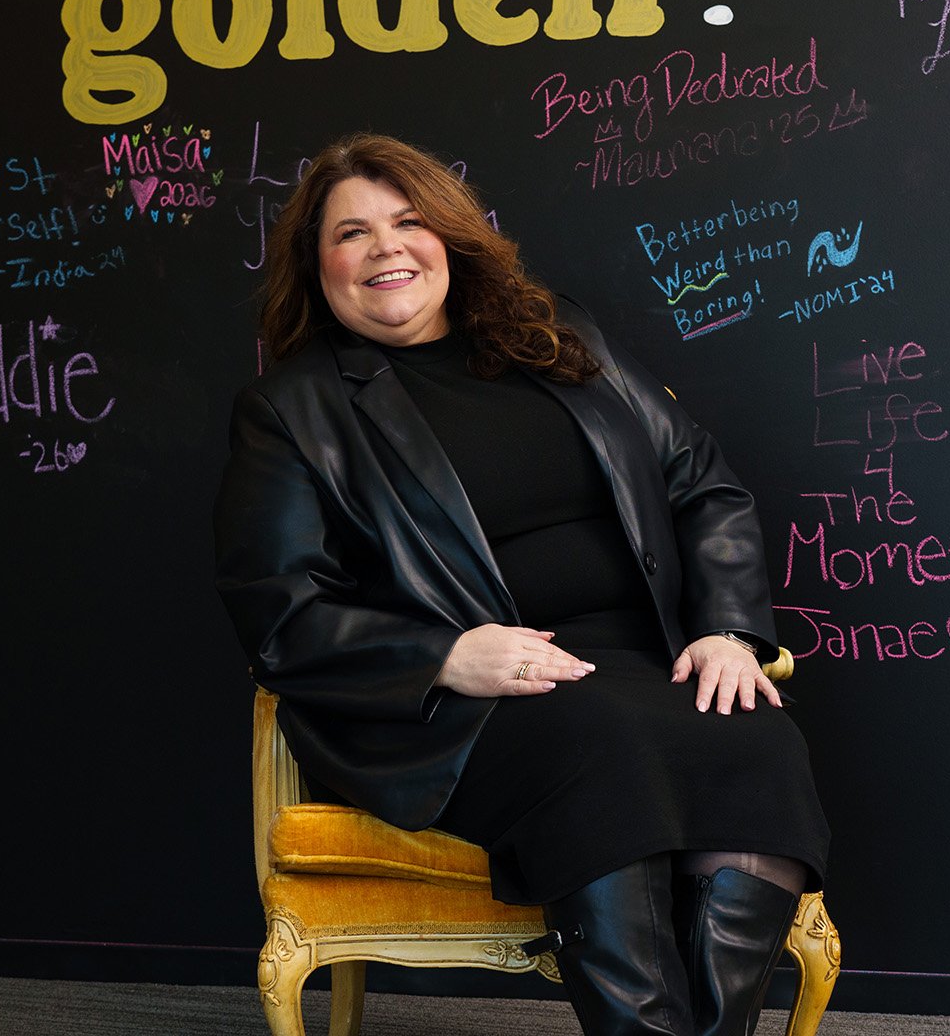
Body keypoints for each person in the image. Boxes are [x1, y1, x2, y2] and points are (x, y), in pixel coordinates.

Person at [214, 134, 829, 1036]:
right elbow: (277, 606)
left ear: (449, 240)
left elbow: (701, 482)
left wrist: (729, 631)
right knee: (603, 739)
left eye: (408, 221)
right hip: (456, 706)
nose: (386, 248)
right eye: (352, 233)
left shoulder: (558, 337)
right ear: (319, 269)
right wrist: (447, 655)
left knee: (756, 738)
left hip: (638, 660)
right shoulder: (293, 411)